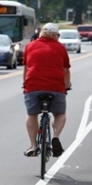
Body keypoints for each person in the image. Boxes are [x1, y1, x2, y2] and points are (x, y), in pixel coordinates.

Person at [23, 22, 71, 157]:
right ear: (55, 35)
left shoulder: (30, 46)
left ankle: (33, 146)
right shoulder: (60, 48)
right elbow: (66, 70)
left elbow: (26, 69)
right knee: (60, 113)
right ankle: (56, 136)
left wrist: (25, 84)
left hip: (33, 86)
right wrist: (66, 86)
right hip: (56, 87)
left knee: (32, 114)